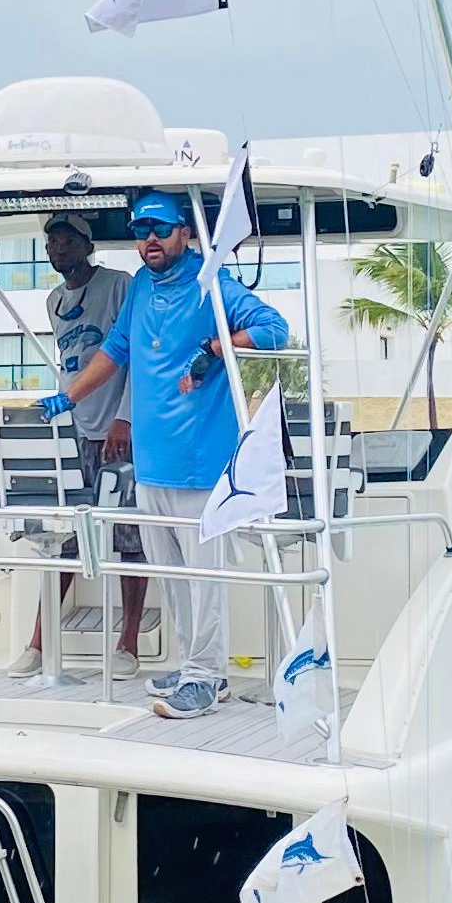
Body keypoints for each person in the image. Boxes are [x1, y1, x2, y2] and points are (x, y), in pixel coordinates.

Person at [43, 188, 290, 720]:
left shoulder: (211, 283)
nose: (149, 239)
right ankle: (196, 667)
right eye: (140, 231)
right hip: (151, 465)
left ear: (185, 232)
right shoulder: (140, 287)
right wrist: (69, 396)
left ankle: (205, 676)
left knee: (204, 580)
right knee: (172, 576)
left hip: (201, 465)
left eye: (159, 228)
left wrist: (216, 348)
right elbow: (115, 349)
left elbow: (275, 329)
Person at [16, 211, 149, 673]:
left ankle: (128, 644)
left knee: (130, 539)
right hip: (74, 432)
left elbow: (136, 357)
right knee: (65, 538)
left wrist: (124, 418)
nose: (59, 249)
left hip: (119, 432)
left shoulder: (119, 285)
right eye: (52, 242)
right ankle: (38, 643)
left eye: (69, 241)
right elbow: (70, 364)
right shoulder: (54, 300)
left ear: (88, 245)